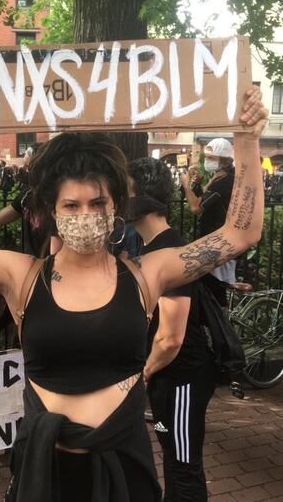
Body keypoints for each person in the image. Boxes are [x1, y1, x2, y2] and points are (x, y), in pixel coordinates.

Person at [0, 86, 266, 501]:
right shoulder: (21, 277)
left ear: (116, 206)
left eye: (97, 203)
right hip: (46, 474)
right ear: (52, 209)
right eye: (71, 205)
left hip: (124, 470)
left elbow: (240, 232)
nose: (86, 215)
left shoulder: (146, 275)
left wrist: (246, 141)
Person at [128, 157, 216, 502]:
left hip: (181, 380)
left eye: (126, 192)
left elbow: (170, 338)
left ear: (143, 200)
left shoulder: (168, 251)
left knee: (182, 462)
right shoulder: (154, 246)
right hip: (171, 381)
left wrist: (144, 372)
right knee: (172, 453)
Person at [180, 138, 236, 307]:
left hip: (220, 242)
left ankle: (222, 330)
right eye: (207, 157)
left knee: (215, 292)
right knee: (208, 290)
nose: (207, 161)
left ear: (225, 161)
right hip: (211, 239)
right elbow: (201, 198)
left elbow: (196, 208)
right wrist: (196, 183)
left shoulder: (227, 182)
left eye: (212, 158)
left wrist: (186, 184)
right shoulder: (217, 179)